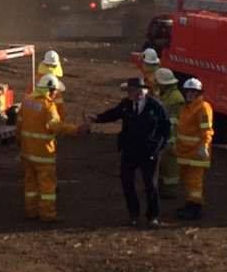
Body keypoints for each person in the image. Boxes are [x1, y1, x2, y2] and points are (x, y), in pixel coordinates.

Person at [92, 75, 172, 227]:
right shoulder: (126, 104)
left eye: (133, 91)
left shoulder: (156, 106)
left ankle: (153, 216)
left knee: (150, 184)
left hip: (149, 152)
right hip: (129, 150)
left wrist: (158, 147)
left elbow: (166, 128)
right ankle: (133, 214)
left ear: (141, 91)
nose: (131, 94)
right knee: (127, 182)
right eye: (130, 91)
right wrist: (97, 118)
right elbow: (114, 114)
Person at [17, 72, 88, 223]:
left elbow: (19, 125)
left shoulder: (27, 101)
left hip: (27, 152)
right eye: (55, 91)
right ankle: (47, 214)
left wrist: (20, 144)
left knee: (30, 185)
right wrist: (77, 130)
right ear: (49, 90)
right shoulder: (48, 107)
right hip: (43, 154)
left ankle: (31, 211)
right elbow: (56, 126)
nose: (56, 94)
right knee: (47, 187)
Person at [174, 77, 215, 221]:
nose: (190, 94)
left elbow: (207, 130)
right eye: (188, 91)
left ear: (199, 93)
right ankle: (190, 204)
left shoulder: (203, 108)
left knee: (195, 182)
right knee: (187, 180)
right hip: (185, 151)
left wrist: (204, 146)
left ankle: (196, 208)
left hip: (197, 153)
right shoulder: (186, 107)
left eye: (193, 92)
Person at [153, 67, 185, 196]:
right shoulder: (166, 94)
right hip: (165, 135)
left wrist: (172, 140)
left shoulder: (176, 98)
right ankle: (161, 187)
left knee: (170, 165)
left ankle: (170, 190)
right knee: (163, 164)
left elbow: (176, 121)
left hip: (172, 137)